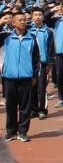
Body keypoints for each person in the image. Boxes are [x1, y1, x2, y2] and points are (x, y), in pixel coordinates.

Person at [1, 11, 40, 142]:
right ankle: (11, 131)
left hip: (26, 77)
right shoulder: (5, 37)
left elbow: (36, 59)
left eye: (24, 20)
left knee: (25, 107)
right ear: (13, 22)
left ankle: (22, 131)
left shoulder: (32, 38)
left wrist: (34, 76)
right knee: (10, 106)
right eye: (19, 20)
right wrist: (1, 23)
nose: (23, 22)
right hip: (9, 77)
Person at [28, 7, 54, 120]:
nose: (37, 17)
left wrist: (49, 63)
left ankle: (42, 109)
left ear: (43, 16)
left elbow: (51, 48)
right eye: (35, 15)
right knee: (31, 87)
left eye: (39, 14)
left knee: (41, 87)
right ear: (32, 17)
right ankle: (33, 109)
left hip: (43, 63)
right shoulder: (28, 30)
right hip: (29, 63)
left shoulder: (48, 31)